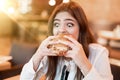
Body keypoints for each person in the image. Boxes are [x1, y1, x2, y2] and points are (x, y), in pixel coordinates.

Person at [20, 1, 113, 80]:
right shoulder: (50, 53)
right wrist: (39, 54)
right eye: (56, 24)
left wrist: (83, 62)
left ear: (81, 30)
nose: (61, 29)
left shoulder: (99, 53)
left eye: (69, 25)